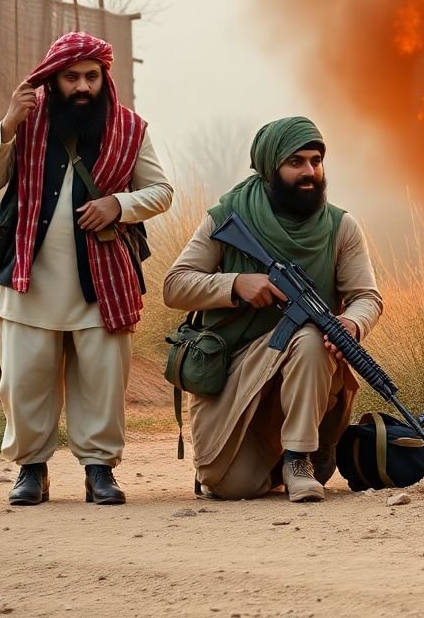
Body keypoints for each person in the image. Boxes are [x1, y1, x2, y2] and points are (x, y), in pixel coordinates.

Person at [0, 31, 173, 507]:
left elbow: (161, 192)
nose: (83, 87)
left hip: (104, 282)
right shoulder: (27, 122)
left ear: (104, 78)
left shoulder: (130, 128)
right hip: (28, 280)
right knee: (23, 380)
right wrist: (7, 124)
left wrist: (117, 205)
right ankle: (31, 471)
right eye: (72, 77)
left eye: (92, 76)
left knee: (102, 381)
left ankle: (99, 471)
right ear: (52, 80)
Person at [162, 116, 383, 502]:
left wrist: (352, 322)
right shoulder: (226, 218)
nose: (309, 171)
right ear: (270, 168)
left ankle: (298, 458)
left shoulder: (340, 226)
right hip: (235, 369)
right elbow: (175, 285)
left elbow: (368, 296)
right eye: (295, 162)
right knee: (235, 487)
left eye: (316, 161)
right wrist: (234, 284)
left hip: (306, 369)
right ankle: (265, 457)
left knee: (312, 339)